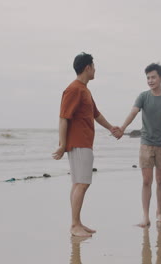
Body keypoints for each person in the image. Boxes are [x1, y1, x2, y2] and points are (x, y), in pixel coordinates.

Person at [52, 52, 120, 237]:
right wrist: (62, 144)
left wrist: (111, 128)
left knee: (78, 184)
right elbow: (63, 117)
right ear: (87, 68)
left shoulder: (85, 90)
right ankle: (74, 225)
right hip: (78, 143)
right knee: (82, 184)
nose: (95, 69)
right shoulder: (74, 89)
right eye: (94, 66)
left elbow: (95, 114)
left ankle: (77, 222)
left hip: (84, 142)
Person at [118, 63, 161, 227]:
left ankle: (159, 212)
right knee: (146, 181)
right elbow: (133, 112)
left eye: (153, 77)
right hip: (146, 143)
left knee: (160, 180)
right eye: (148, 78)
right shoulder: (143, 96)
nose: (150, 81)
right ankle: (145, 216)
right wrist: (122, 128)